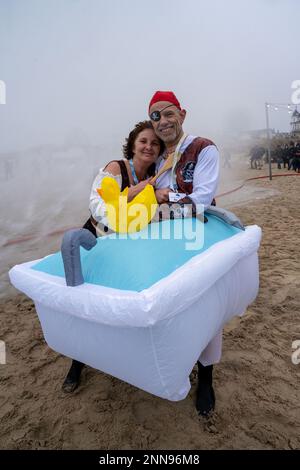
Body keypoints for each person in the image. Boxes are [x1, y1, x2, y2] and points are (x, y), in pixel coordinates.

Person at [62, 121, 164, 393]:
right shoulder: (115, 169)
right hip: (97, 242)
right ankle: (76, 364)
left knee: (121, 300)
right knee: (86, 304)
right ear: (132, 144)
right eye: (143, 141)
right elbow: (96, 206)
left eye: (155, 143)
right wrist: (134, 194)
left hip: (129, 246)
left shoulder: (157, 174)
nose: (149, 147)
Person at [148, 90, 220, 416]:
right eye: (155, 116)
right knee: (172, 303)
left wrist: (164, 197)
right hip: (163, 242)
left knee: (206, 306)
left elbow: (201, 201)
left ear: (182, 114)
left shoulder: (203, 148)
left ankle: (206, 376)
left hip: (197, 240)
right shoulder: (155, 159)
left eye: (167, 114)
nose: (162, 122)